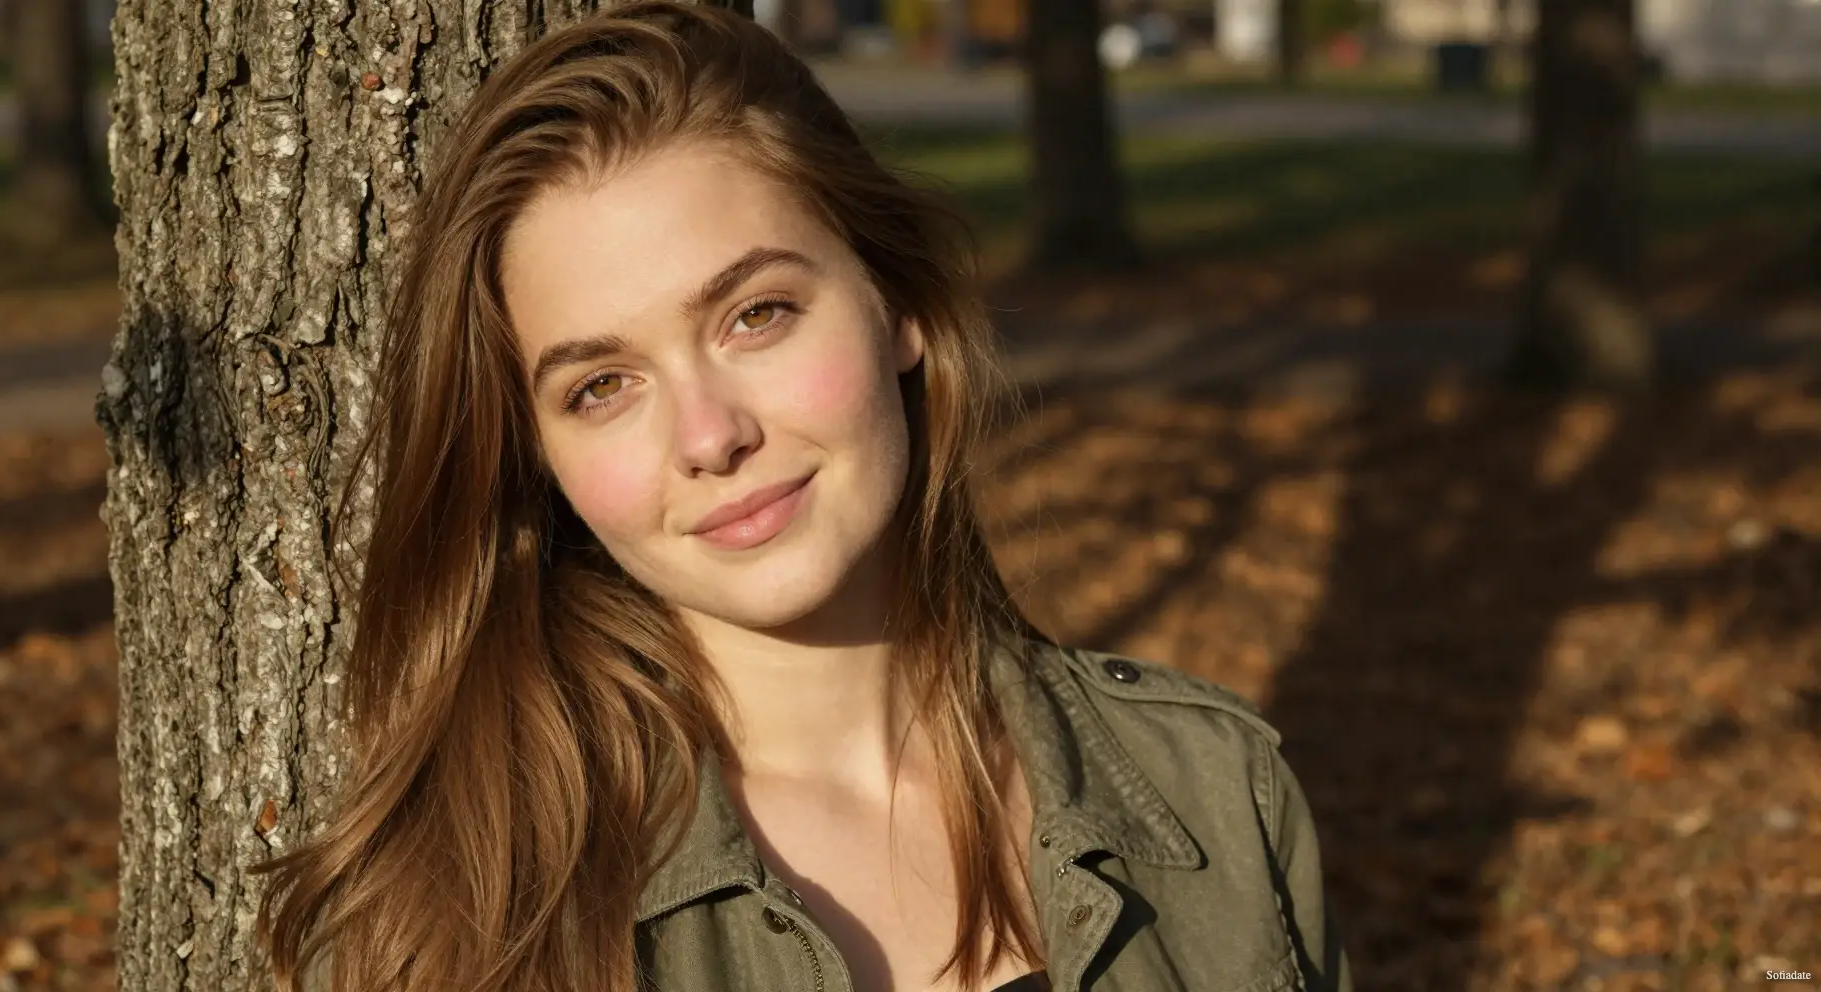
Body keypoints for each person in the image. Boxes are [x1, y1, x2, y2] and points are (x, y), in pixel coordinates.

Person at [252, 4, 1351, 992]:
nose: (711, 436)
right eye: (602, 387)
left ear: (897, 301)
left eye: (756, 315)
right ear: (541, 461)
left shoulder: (1216, 793)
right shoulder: (453, 929)